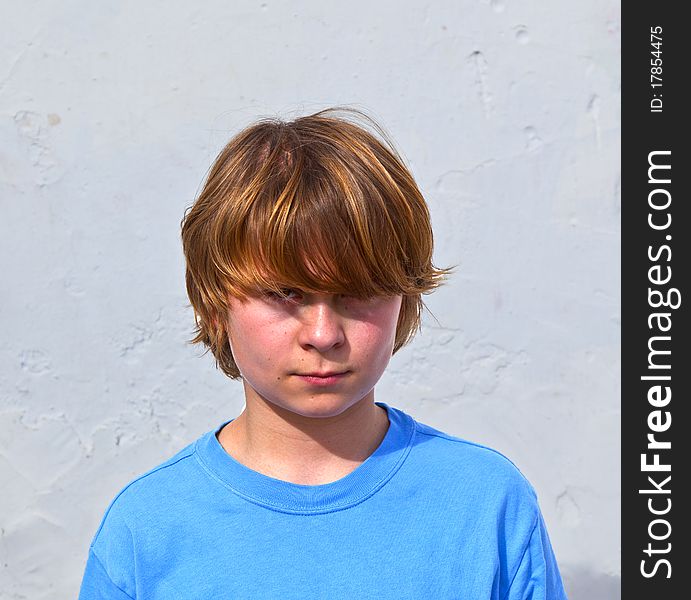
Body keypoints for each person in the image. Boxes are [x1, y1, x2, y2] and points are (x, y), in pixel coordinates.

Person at [78, 107, 568, 599]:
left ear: (405, 299)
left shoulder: (486, 505)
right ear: (215, 302)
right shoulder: (146, 530)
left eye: (357, 292)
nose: (323, 333)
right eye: (285, 293)